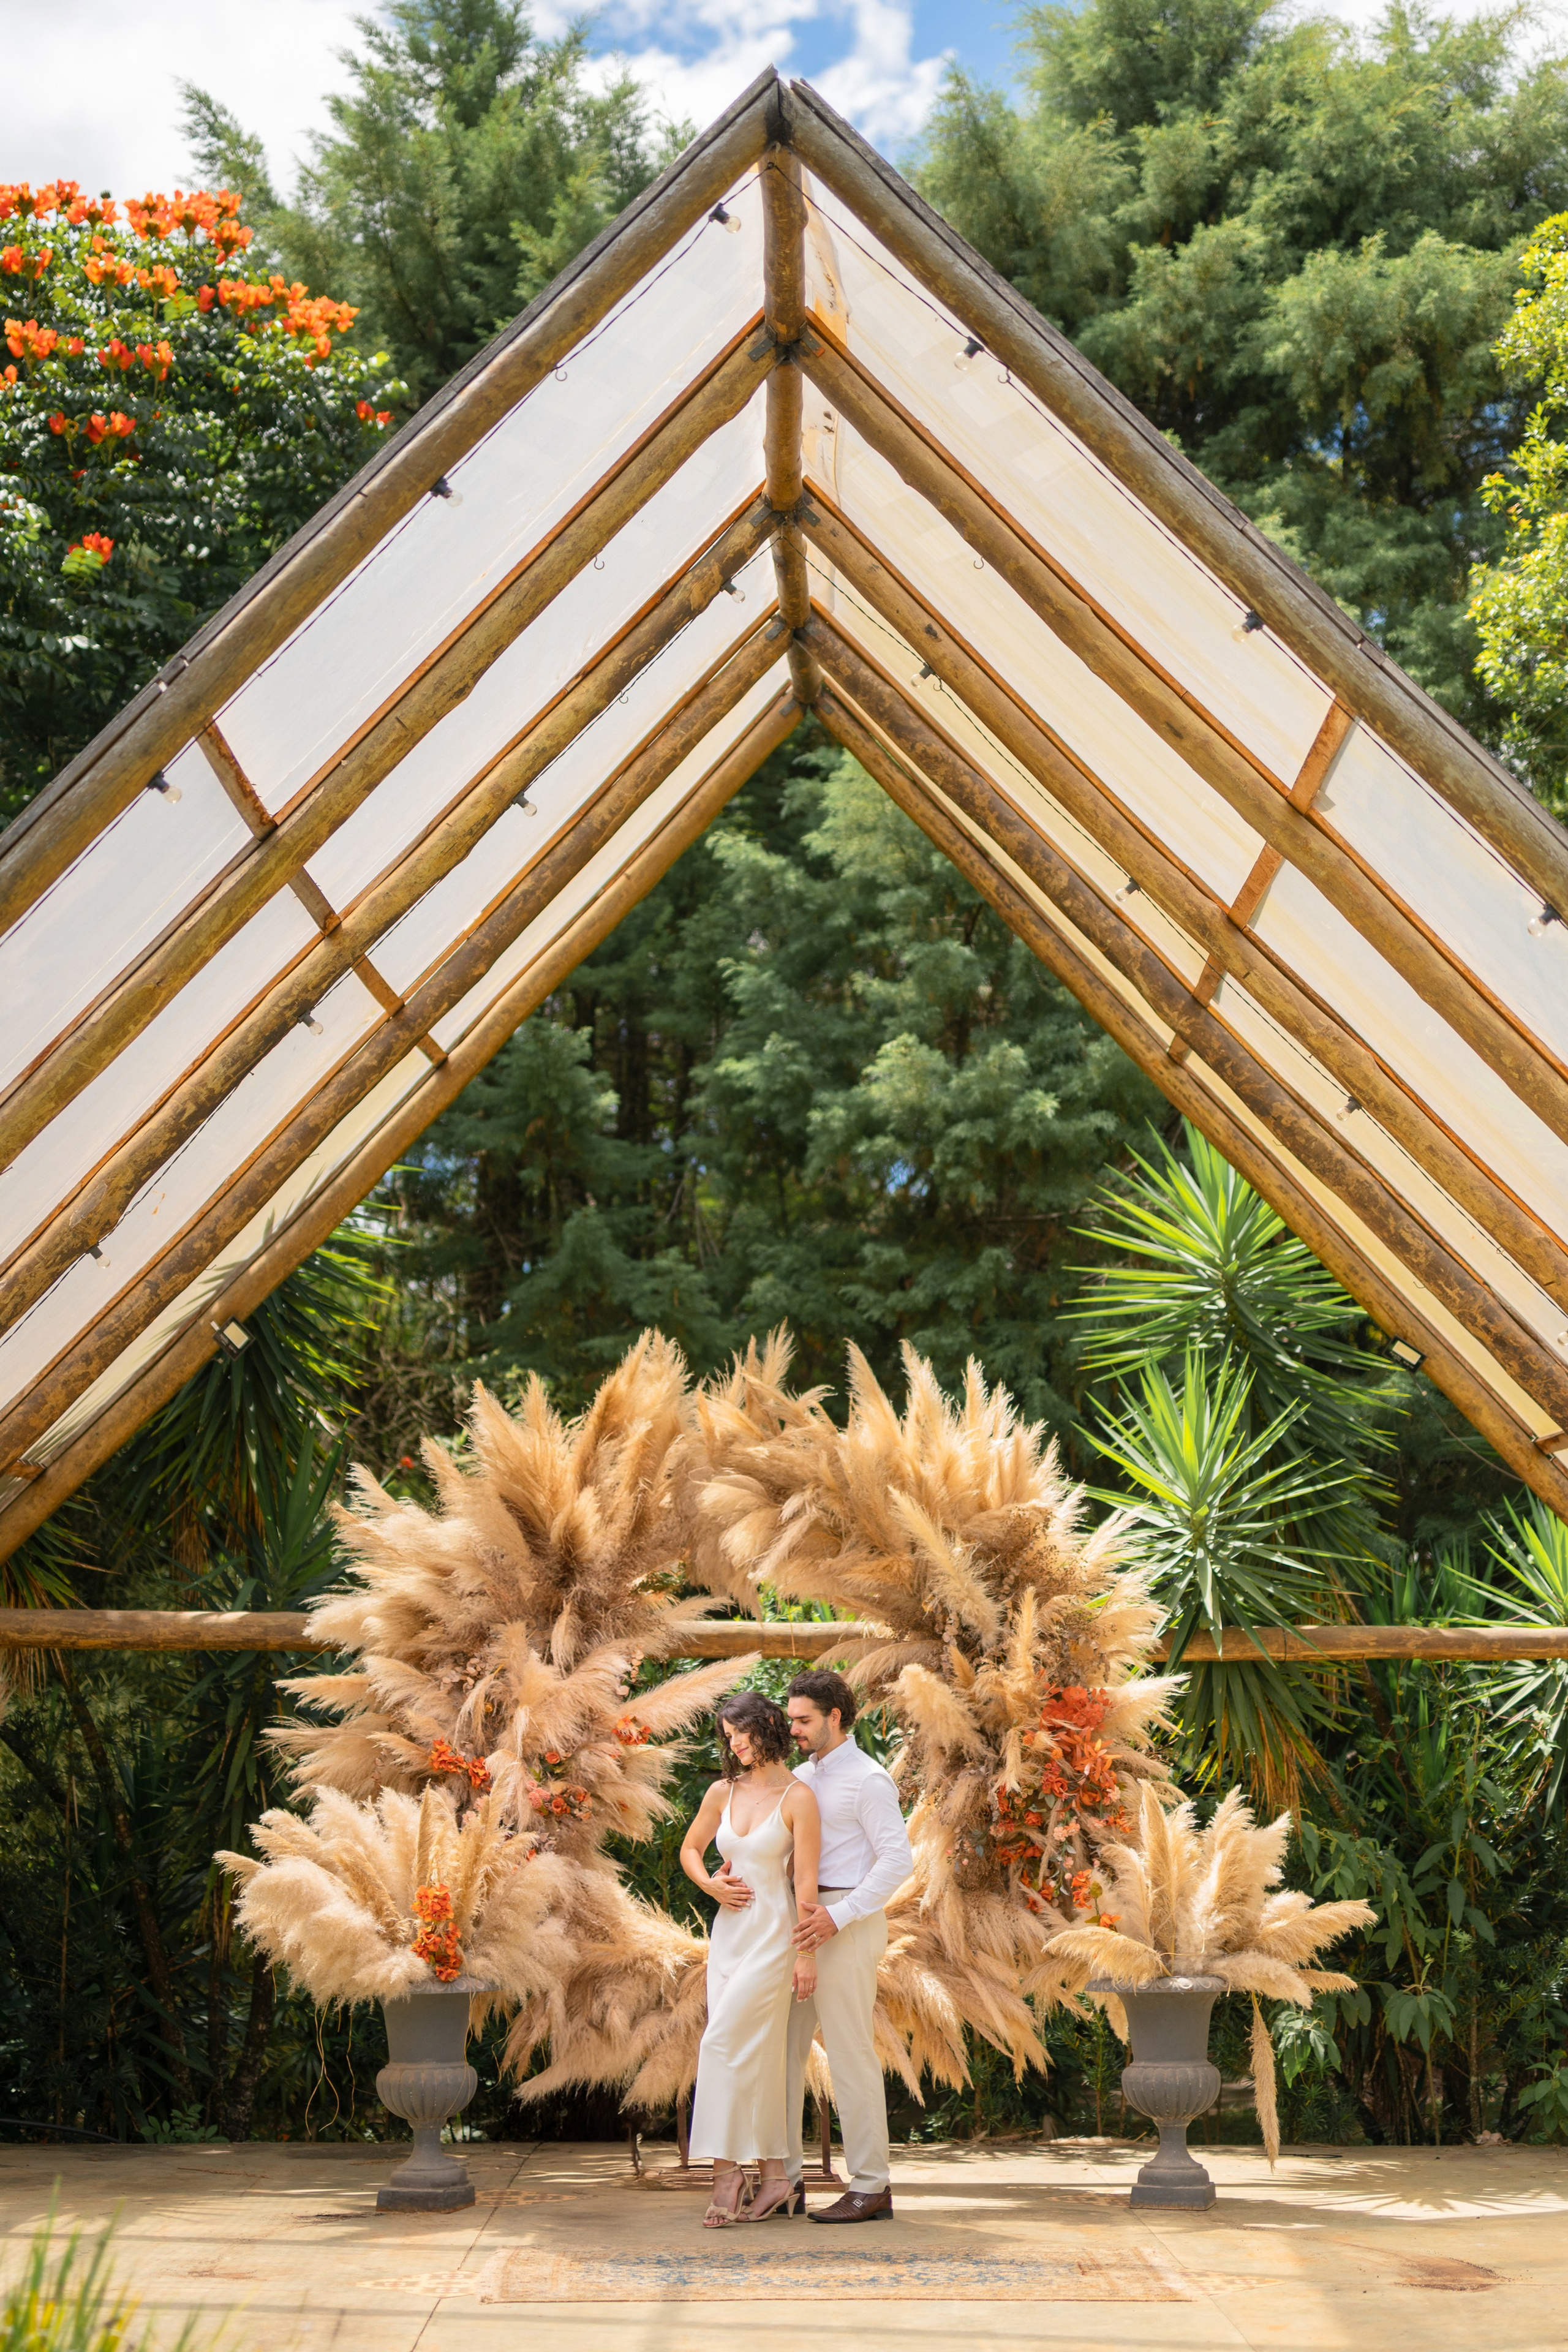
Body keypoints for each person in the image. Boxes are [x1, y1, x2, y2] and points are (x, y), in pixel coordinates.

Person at [680, 1691, 822, 2228]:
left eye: (741, 1732)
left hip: (773, 1938)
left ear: (768, 1727)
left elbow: (805, 1885)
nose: (733, 1743)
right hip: (729, 1938)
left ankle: (725, 2174)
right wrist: (710, 1886)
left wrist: (804, 1956)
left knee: (719, 2044)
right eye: (728, 1735)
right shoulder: (723, 1790)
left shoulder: (799, 1798)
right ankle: (776, 2177)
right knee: (754, 2058)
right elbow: (690, 1850)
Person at [785, 1668, 913, 2224]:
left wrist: (839, 1916)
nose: (794, 1730)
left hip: (846, 1923)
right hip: (797, 1927)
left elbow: (897, 1862)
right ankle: (783, 2179)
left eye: (804, 1720)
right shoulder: (796, 1777)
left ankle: (871, 2185)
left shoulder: (867, 1779)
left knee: (849, 2053)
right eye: (791, 1720)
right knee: (783, 2050)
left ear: (835, 1717)